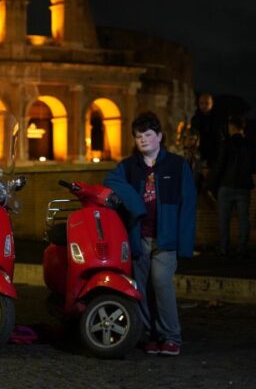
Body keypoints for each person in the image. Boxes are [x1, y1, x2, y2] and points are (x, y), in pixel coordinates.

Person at [104, 111, 196, 357]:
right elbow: (110, 180)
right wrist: (136, 204)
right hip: (139, 237)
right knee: (141, 288)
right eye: (138, 136)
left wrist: (185, 244)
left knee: (162, 285)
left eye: (148, 134)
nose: (143, 139)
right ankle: (148, 335)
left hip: (166, 239)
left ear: (159, 137)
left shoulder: (177, 165)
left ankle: (171, 336)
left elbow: (188, 205)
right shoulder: (127, 166)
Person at [206, 115, 254, 258]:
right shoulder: (249, 144)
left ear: (231, 127)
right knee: (244, 219)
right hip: (244, 186)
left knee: (224, 219)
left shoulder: (226, 144)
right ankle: (242, 248)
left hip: (226, 185)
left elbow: (219, 165)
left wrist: (210, 184)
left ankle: (223, 248)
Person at [190, 93, 225, 168]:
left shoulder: (218, 119)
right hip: (198, 154)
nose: (204, 105)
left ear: (212, 104)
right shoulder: (195, 119)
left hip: (214, 154)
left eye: (206, 103)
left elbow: (220, 138)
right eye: (201, 103)